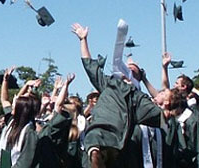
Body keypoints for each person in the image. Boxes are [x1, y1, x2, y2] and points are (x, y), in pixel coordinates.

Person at [71, 22, 166, 168]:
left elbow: (160, 114)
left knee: (100, 144)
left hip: (118, 140)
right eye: (126, 68)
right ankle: (96, 154)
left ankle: (98, 154)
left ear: (138, 77)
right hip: (99, 133)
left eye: (133, 70)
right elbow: (90, 66)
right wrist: (83, 40)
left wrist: (168, 103)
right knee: (94, 140)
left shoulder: (139, 97)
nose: (127, 70)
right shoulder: (109, 83)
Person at [0, 66, 39, 168]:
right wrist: (5, 80)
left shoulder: (29, 132)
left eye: (16, 104)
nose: (12, 104)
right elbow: (4, 100)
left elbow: (25, 162)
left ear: (22, 110)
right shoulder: (11, 120)